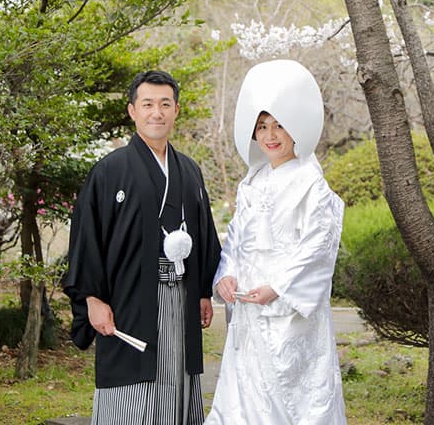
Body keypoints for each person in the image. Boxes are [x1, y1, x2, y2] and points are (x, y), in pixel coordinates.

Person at [64, 70, 222, 425]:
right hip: (128, 301)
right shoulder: (109, 171)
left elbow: (205, 235)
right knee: (132, 386)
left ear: (176, 110)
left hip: (180, 295)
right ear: (132, 111)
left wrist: (202, 291)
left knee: (176, 378)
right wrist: (92, 299)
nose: (157, 112)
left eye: (165, 104)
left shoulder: (190, 171)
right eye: (148, 104)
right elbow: (87, 238)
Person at [205, 59, 347, 424]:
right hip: (250, 303)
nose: (270, 135)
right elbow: (237, 237)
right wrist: (227, 273)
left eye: (280, 125)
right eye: (263, 126)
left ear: (296, 128)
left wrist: (280, 287)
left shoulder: (311, 184)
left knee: (295, 393)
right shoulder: (251, 183)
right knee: (246, 391)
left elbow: (318, 245)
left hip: (290, 308)